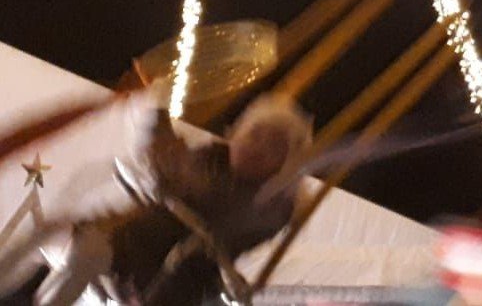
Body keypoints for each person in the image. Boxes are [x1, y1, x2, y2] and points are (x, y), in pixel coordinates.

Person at [36, 94, 311, 306]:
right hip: (133, 245)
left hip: (177, 280)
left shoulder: (272, 204)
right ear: (236, 132)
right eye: (255, 134)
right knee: (83, 247)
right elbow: (172, 173)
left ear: (284, 163)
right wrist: (157, 123)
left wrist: (172, 160)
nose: (258, 148)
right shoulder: (211, 157)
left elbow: (221, 212)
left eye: (274, 146)